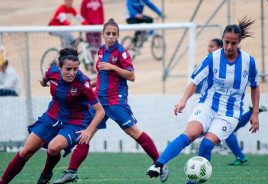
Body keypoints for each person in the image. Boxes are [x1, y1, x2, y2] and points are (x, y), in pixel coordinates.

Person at [53, 18, 168, 184]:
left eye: (114, 34)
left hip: (116, 101)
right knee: (85, 134)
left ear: (118, 35)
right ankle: (71, 172)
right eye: (108, 33)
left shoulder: (121, 53)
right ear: (103, 35)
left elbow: (132, 76)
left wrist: (113, 67)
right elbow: (101, 76)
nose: (111, 37)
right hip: (99, 101)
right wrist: (87, 86)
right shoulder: (100, 50)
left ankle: (160, 164)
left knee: (134, 133)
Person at [146, 17, 260, 183]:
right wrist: (183, 101)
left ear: (239, 42)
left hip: (230, 113)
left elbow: (255, 86)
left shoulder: (248, 62)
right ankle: (159, 164)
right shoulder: (211, 58)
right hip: (207, 105)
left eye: (233, 43)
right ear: (222, 39)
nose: (229, 47)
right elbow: (193, 83)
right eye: (226, 42)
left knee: (206, 145)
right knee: (191, 134)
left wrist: (255, 113)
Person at [0, 48, 105, 184]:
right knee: (25, 152)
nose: (72, 73)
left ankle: (46, 174)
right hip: (52, 117)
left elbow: (100, 111)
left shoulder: (83, 82)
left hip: (74, 122)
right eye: (68, 69)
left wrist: (88, 130)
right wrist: (43, 83)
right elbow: (45, 80)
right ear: (59, 66)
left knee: (54, 148)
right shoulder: (52, 71)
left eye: (75, 69)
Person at [195, 39, 267, 166]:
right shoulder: (212, 61)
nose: (209, 49)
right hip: (214, 105)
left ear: (219, 46)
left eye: (211, 46)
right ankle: (241, 156)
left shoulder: (239, 62)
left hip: (228, 107)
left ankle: (241, 157)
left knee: (226, 131)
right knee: (227, 131)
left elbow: (252, 84)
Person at [80, 0, 105, 71]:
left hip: (97, 27)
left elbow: (101, 13)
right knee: (92, 47)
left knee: (99, 47)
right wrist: (86, 25)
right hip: (89, 28)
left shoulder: (99, 1)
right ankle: (91, 64)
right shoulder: (85, 1)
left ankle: (97, 64)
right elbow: (82, 14)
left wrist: (101, 25)